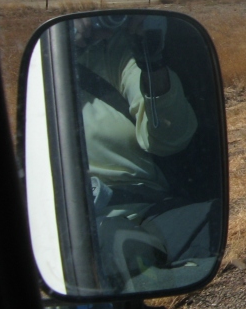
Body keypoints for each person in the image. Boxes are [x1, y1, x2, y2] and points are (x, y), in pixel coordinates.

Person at [71, 15, 202, 291]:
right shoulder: (47, 64)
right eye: (93, 12)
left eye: (116, 13)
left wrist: (151, 62)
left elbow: (169, 139)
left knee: (206, 230)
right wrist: (67, 50)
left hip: (139, 208)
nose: (106, 21)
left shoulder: (119, 54)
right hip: (65, 218)